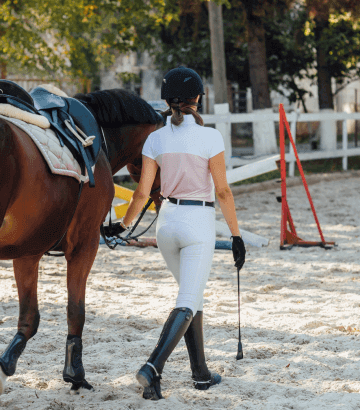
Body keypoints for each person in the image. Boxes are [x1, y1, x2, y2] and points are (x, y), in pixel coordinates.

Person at [102, 66, 246, 400]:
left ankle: (200, 374)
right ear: (199, 98)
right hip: (198, 224)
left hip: (166, 224)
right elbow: (223, 192)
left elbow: (141, 194)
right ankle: (153, 367)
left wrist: (122, 227)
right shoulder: (210, 137)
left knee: (190, 296)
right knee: (188, 299)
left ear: (167, 100)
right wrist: (236, 236)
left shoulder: (155, 138)